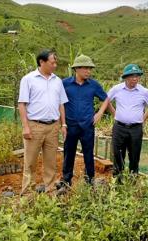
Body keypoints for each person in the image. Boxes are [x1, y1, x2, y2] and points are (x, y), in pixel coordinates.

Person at [18, 49, 68, 195]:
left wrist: (63, 124)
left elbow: (61, 104)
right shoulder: (28, 79)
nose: (55, 65)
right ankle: (27, 194)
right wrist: (25, 126)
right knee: (30, 162)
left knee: (51, 161)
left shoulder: (57, 81)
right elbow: (22, 104)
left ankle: (50, 190)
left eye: (55, 62)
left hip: (53, 126)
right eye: (52, 62)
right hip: (35, 126)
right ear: (42, 62)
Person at [58, 54, 108, 192]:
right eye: (86, 68)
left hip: (87, 126)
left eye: (90, 68)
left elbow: (106, 99)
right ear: (77, 69)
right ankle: (66, 181)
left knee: (88, 153)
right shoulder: (64, 84)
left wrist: (99, 113)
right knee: (69, 153)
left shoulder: (94, 85)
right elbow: (58, 101)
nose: (88, 71)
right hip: (70, 126)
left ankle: (90, 180)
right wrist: (61, 122)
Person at [105, 64, 148, 178]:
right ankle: (118, 181)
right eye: (132, 76)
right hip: (119, 127)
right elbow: (106, 101)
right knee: (118, 155)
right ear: (126, 77)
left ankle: (132, 182)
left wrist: (143, 118)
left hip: (135, 129)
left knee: (134, 156)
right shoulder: (117, 89)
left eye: (137, 76)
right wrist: (115, 113)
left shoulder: (144, 91)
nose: (135, 78)